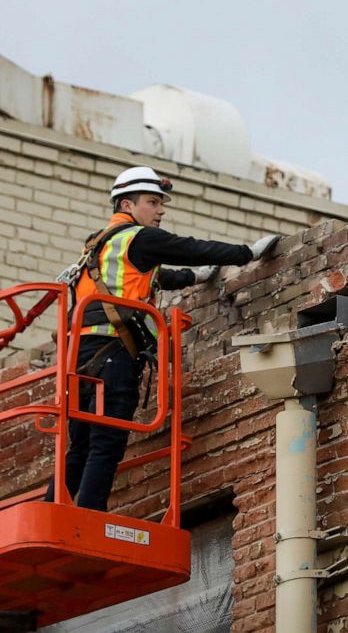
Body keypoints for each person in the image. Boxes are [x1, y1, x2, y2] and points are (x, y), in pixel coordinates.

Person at [46, 165, 279, 511]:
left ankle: (49, 511)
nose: (161, 210)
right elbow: (190, 247)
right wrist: (246, 254)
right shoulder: (139, 238)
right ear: (127, 205)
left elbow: (151, 277)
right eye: (153, 202)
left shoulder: (100, 245)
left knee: (79, 445)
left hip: (80, 356)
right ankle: (88, 518)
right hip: (112, 352)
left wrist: (192, 277)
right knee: (107, 440)